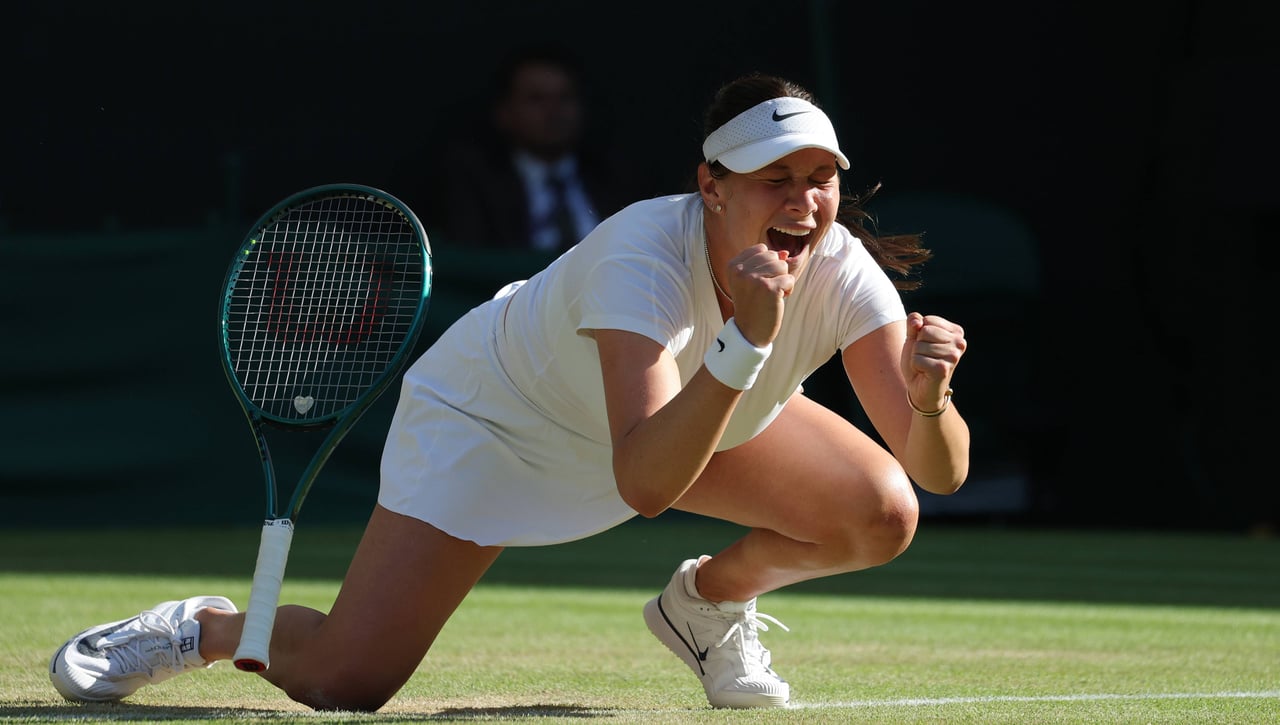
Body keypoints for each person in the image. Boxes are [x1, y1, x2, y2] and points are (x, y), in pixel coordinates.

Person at [50, 72, 970, 711]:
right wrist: (748, 340)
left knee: (880, 513)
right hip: (497, 423)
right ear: (711, 186)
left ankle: (707, 606)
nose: (805, 202)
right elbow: (647, 483)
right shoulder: (640, 258)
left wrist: (930, 403)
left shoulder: (841, 271)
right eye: (777, 179)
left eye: (820, 179)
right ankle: (206, 630)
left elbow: (939, 473)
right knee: (343, 682)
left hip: (669, 422)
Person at [398, 44, 639, 253]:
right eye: (537, 99)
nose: (554, 111)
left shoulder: (615, 176)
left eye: (565, 97)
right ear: (504, 112)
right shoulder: (472, 181)